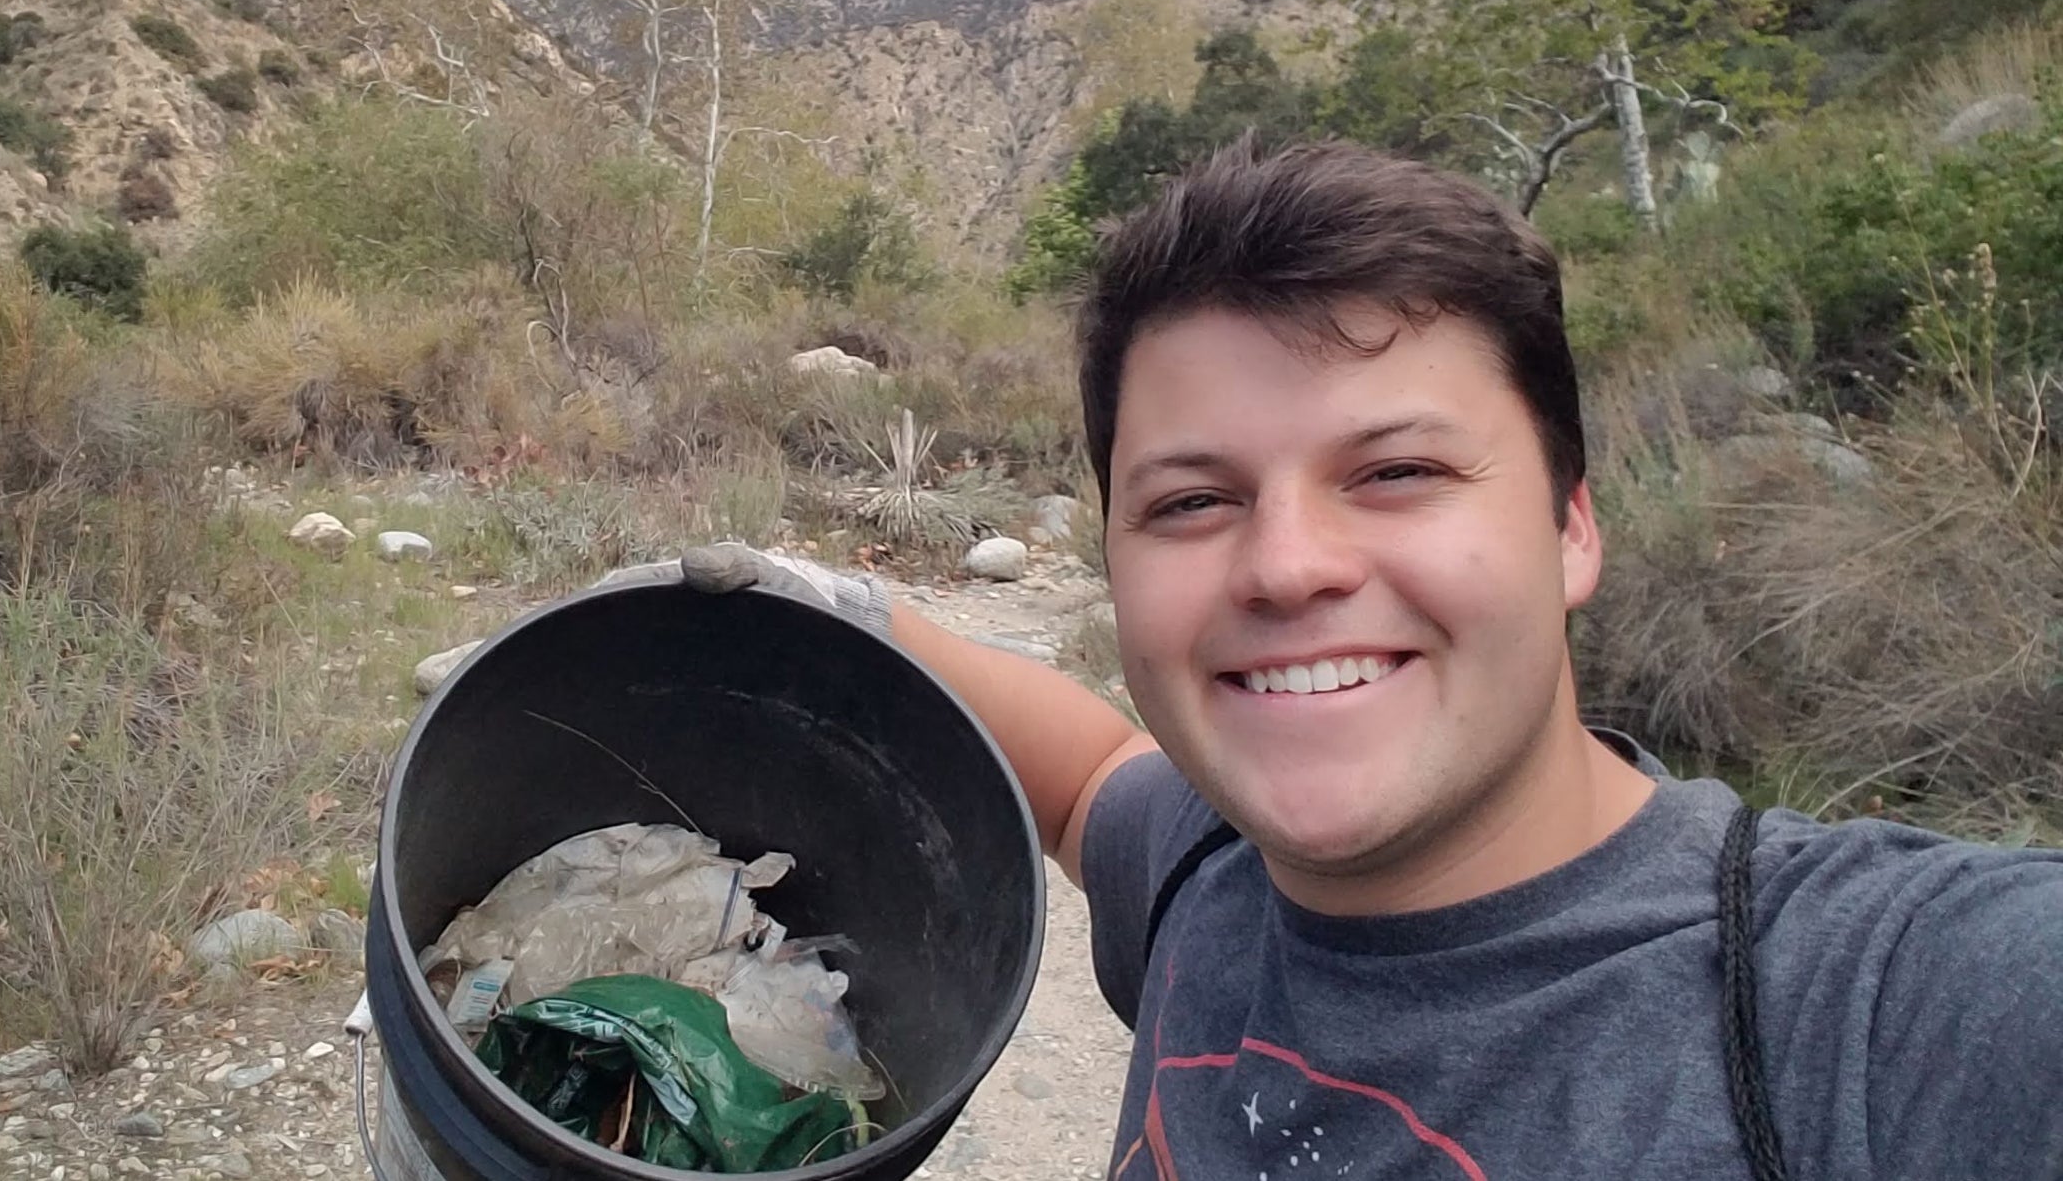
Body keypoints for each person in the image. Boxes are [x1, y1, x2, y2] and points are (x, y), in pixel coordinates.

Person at [632, 137, 2063, 1178]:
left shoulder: (1876, 1007)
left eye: (1395, 471)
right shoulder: (1209, 874)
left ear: (1571, 526)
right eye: (1192, 500)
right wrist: (835, 607)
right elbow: (1082, 779)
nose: (1286, 563)